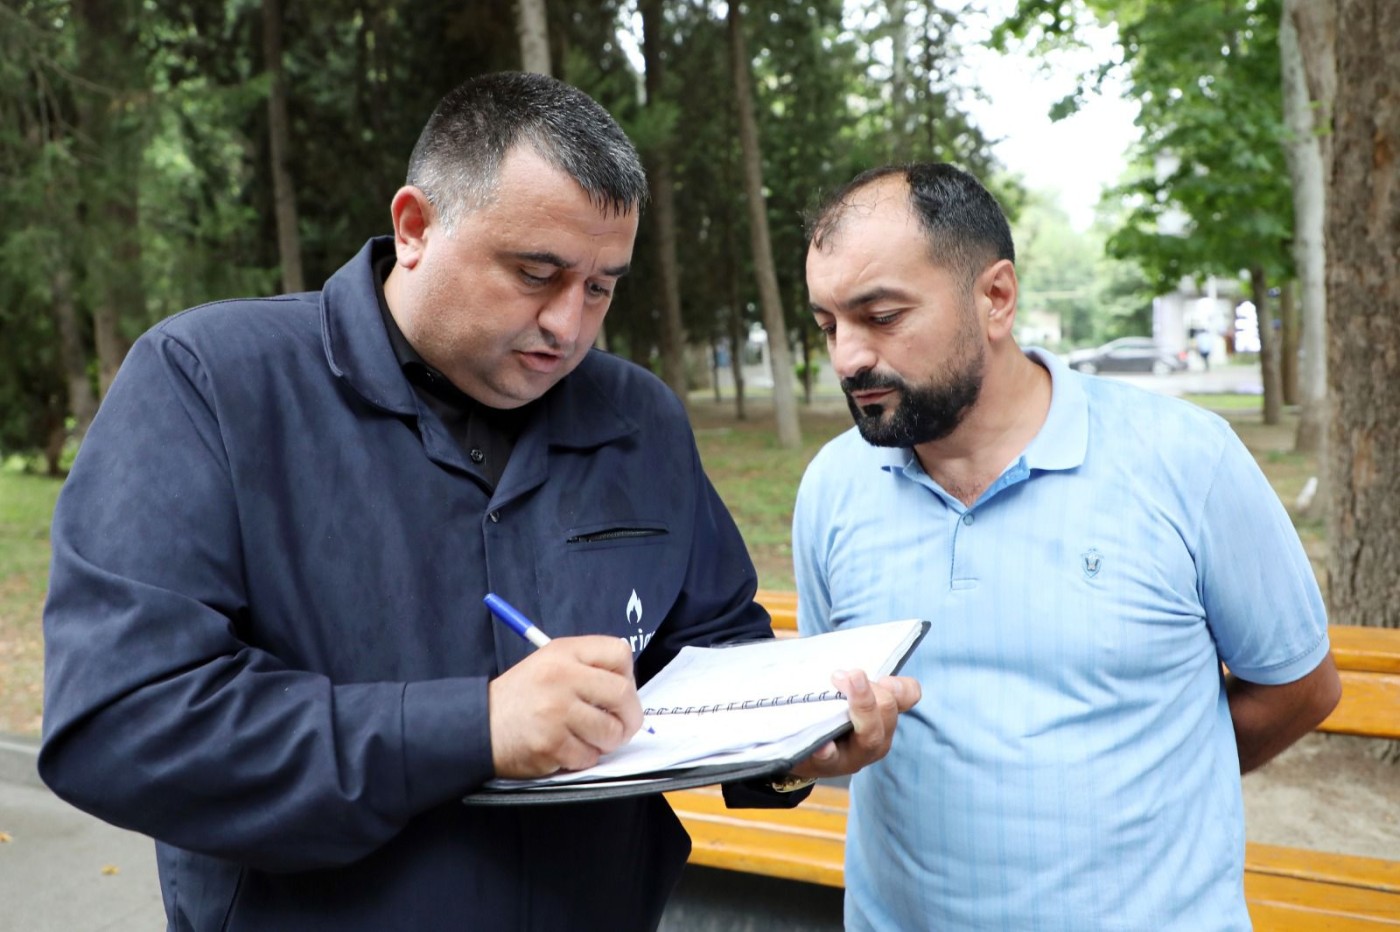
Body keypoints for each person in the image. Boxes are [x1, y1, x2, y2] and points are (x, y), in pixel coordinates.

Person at [39, 72, 918, 932]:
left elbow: (715, 646)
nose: (568, 326)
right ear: (415, 226)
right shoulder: (213, 386)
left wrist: (792, 746)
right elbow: (123, 723)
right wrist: (475, 727)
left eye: (602, 287)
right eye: (536, 273)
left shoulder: (637, 418)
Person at [793, 162, 1341, 931]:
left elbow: (1301, 688)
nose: (847, 357)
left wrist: (1149, 786)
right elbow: (837, 718)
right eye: (827, 325)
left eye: (881, 317)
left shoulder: (1185, 460)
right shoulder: (832, 488)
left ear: (996, 297)